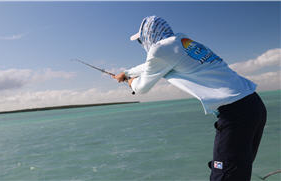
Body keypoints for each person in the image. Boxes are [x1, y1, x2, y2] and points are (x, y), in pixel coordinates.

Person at [113, 15, 267, 181]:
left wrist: (130, 82)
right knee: (238, 173)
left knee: (224, 175)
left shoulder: (160, 50)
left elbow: (142, 87)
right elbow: (149, 66)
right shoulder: (182, 41)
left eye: (141, 40)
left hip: (236, 115)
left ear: (149, 35)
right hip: (254, 106)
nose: (143, 44)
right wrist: (127, 72)